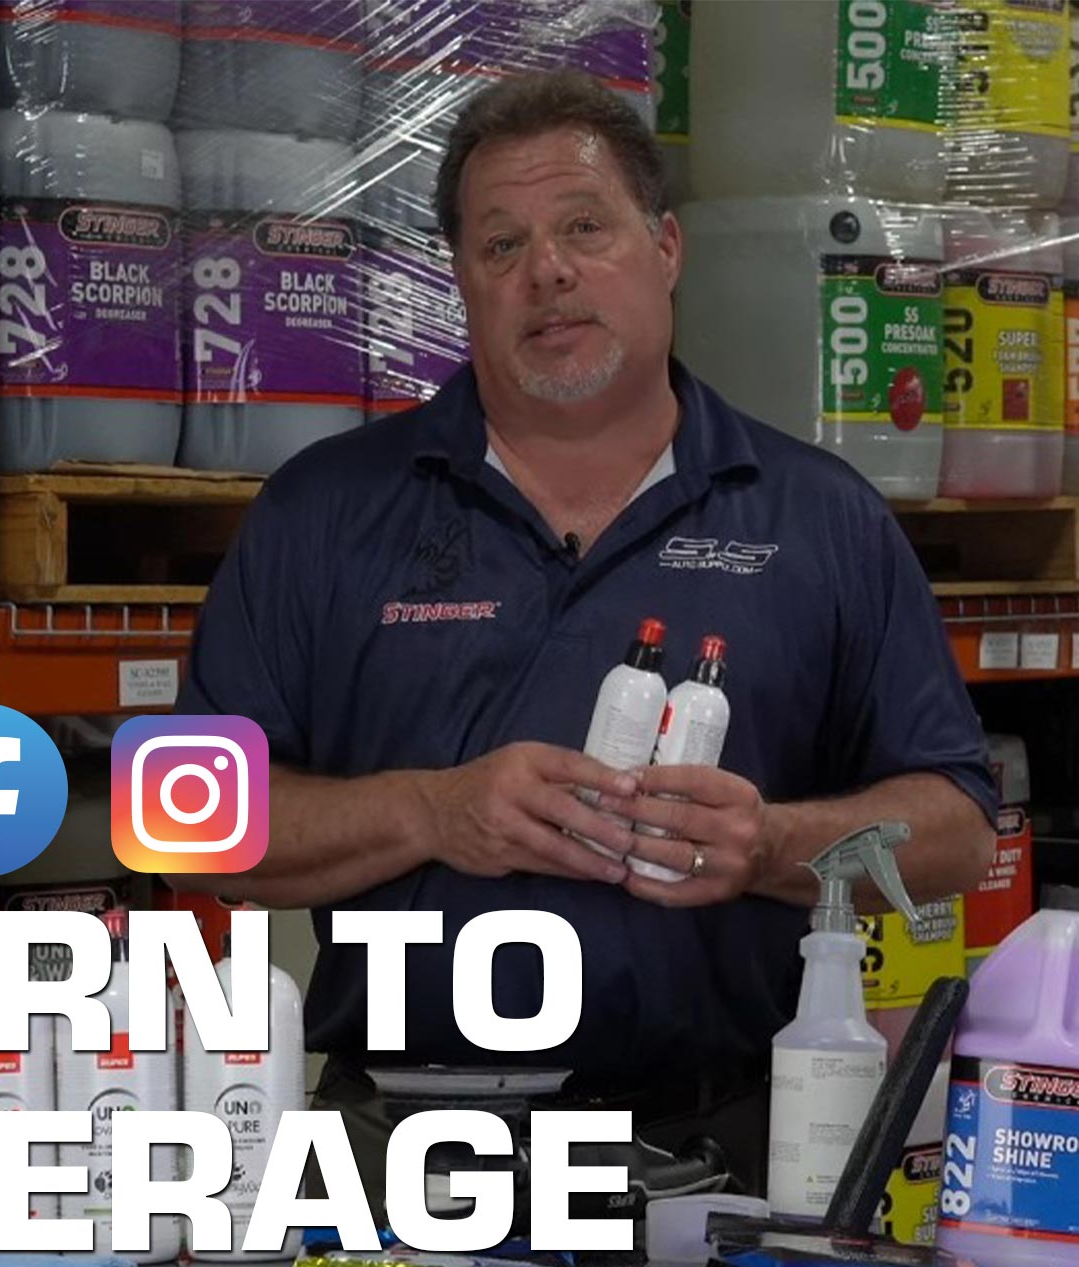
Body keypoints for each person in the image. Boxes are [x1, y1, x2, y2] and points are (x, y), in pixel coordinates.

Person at [169, 71, 996, 1195]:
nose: (546, 272)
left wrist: (771, 843)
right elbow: (180, 820)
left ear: (664, 248)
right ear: (459, 279)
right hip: (397, 1162)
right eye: (500, 245)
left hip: (726, 1157)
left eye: (583, 228)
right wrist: (433, 811)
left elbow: (955, 830)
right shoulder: (326, 511)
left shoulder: (819, 516)